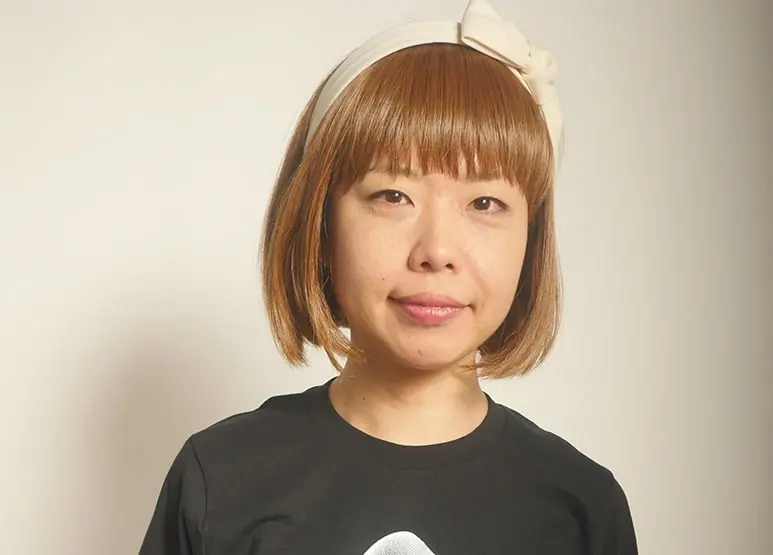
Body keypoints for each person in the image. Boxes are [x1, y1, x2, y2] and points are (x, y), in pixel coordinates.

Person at [138, 0, 638, 553]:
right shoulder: (220, 481)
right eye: (392, 196)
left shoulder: (582, 507)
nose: (437, 250)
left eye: (486, 202)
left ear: (531, 240)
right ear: (321, 227)